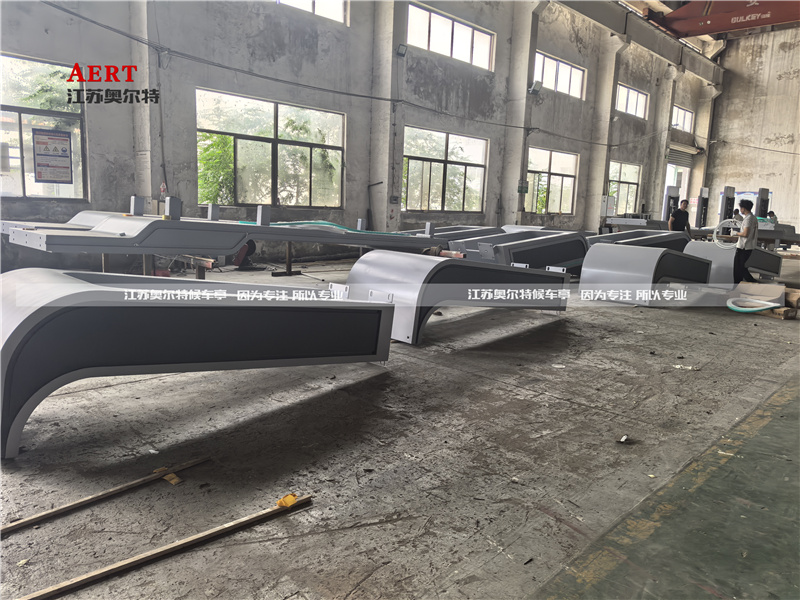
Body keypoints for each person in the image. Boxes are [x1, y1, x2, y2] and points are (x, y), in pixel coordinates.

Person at [732, 199, 758, 284]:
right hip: (748, 246)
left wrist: (735, 233)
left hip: (744, 247)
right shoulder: (753, 217)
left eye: (741, 208)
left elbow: (745, 234)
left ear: (744, 208)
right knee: (741, 267)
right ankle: (750, 281)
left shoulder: (748, 219)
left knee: (738, 268)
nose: (740, 210)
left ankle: (739, 285)